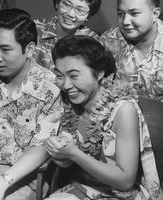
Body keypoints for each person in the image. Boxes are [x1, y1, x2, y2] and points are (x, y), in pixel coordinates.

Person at [44, 35, 163, 199]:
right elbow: (72, 158)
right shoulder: (65, 103)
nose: (65, 85)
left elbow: (125, 181)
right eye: (59, 75)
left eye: (74, 75)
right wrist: (62, 156)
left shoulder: (123, 110)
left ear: (99, 73)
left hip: (119, 194)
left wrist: (75, 154)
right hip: (78, 187)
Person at [0, 8, 63, 200]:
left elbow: (42, 147)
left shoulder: (50, 88)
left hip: (20, 178)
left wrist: (0, 185)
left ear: (30, 49)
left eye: (6, 49)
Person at [100, 0, 163, 102]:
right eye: (120, 14)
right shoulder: (109, 41)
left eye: (134, 13)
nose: (125, 21)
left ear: (155, 14)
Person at [33, 0, 101, 70]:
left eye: (80, 10)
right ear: (57, 4)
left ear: (88, 15)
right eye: (67, 5)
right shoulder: (34, 29)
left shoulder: (94, 43)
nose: (70, 14)